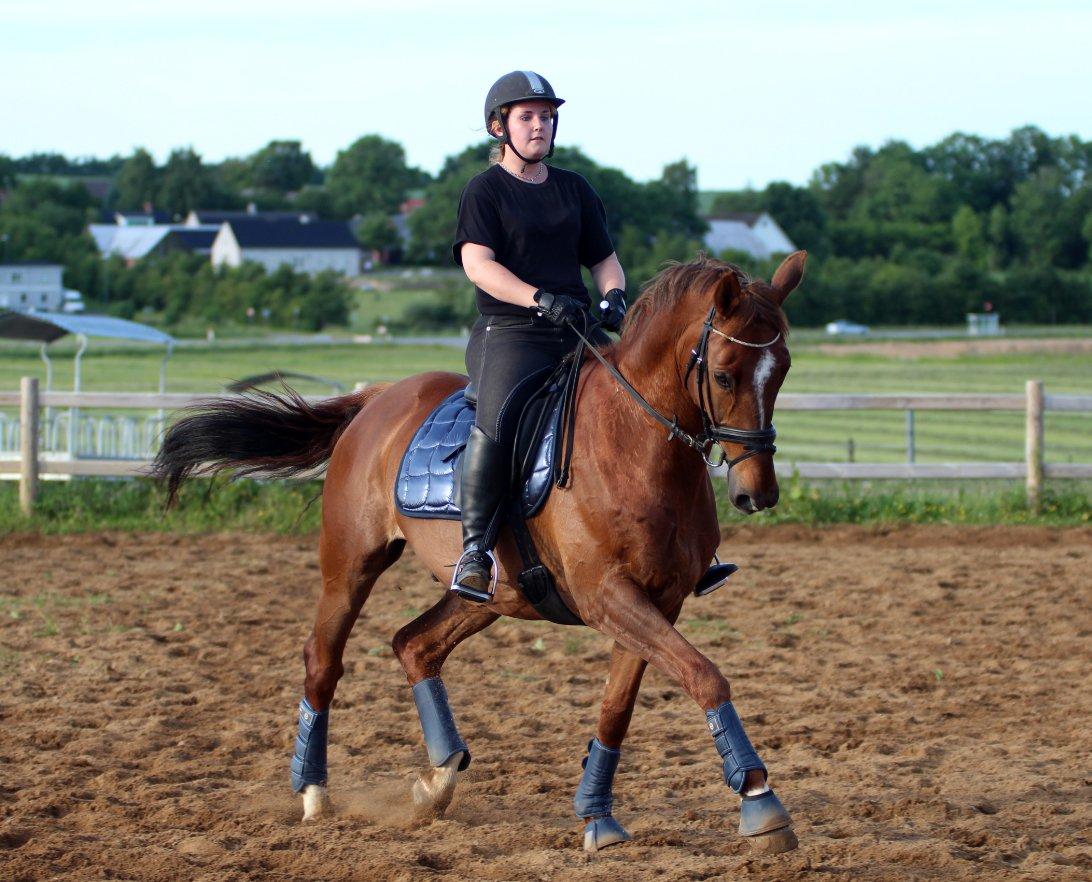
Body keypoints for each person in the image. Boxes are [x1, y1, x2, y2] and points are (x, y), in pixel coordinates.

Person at [450, 70, 628, 602]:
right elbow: (478, 265)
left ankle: (683, 542)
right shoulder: (484, 191)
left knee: (644, 399)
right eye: (527, 116)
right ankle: (475, 551)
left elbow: (604, 259)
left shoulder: (575, 188)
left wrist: (614, 295)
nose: (540, 125)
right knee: (497, 420)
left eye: (547, 116)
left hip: (575, 327)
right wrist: (536, 297)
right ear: (498, 127)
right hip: (511, 331)